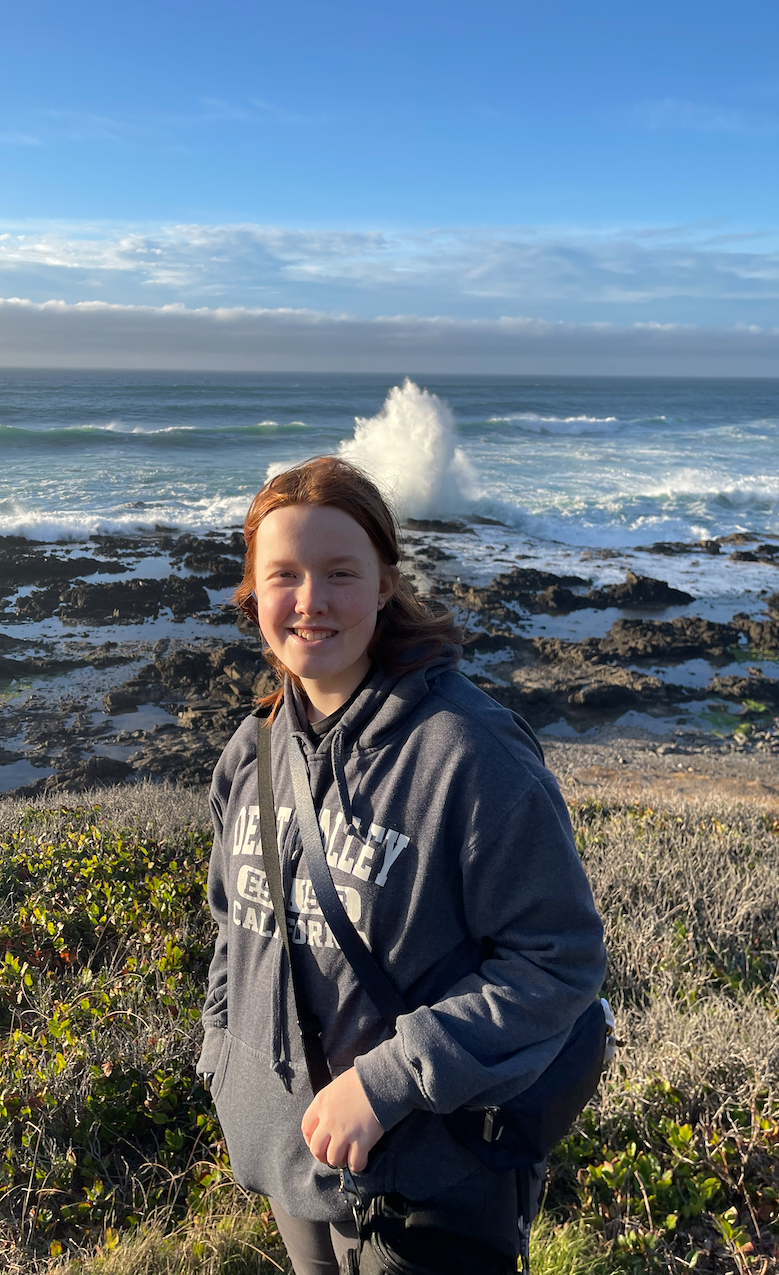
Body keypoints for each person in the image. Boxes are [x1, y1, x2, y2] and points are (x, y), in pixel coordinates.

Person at [199, 456, 605, 1274]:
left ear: (384, 582)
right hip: (289, 1161)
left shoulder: (466, 752)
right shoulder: (254, 750)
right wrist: (224, 1058)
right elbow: (230, 925)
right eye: (285, 575)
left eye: (340, 573)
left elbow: (559, 961)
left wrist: (387, 1082)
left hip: (427, 1176)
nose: (311, 602)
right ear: (253, 593)